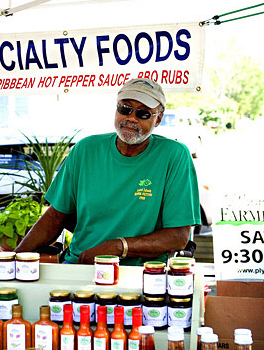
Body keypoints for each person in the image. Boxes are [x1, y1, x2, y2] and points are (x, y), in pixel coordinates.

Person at [16, 77, 201, 265]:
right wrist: (12, 259)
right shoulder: (86, 149)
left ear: (158, 119)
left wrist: (118, 247)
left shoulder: (174, 155)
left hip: (140, 274)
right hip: (80, 265)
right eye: (125, 109)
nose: (131, 118)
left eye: (143, 113)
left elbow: (178, 237)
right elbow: (55, 217)